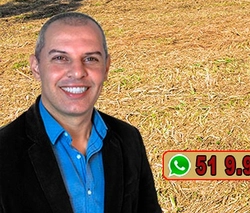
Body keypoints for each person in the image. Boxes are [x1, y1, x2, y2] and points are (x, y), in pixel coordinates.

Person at [0, 11, 161, 213]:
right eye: (60, 58)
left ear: (106, 67)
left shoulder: (128, 138)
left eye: (91, 58)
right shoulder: (4, 152)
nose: (77, 72)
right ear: (36, 67)